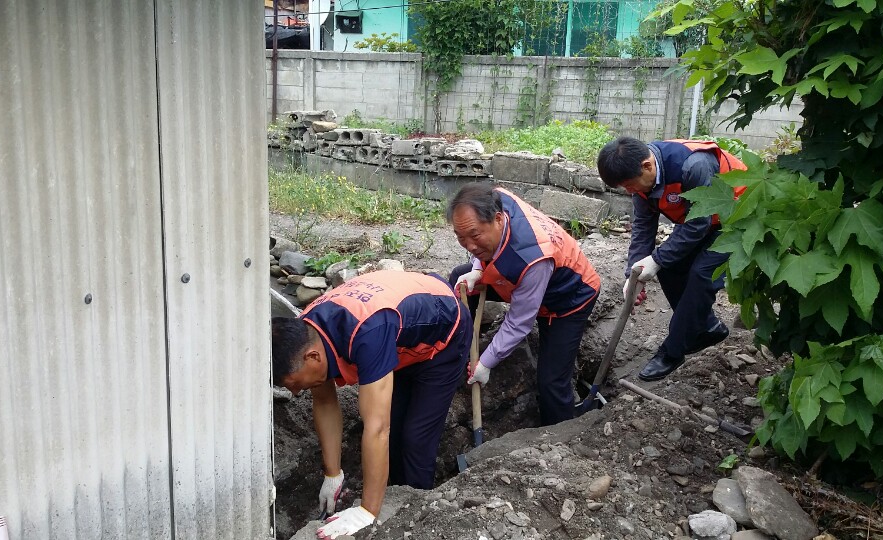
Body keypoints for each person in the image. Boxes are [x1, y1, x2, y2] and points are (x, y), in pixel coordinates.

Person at [271, 270, 472, 540]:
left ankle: (417, 512)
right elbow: (325, 402)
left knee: (415, 437)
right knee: (397, 425)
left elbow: (377, 428)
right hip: (401, 334)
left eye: (293, 383)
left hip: (444, 331)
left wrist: (367, 511)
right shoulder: (306, 331)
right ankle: (397, 491)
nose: (295, 393)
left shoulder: (367, 334)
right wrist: (333, 474)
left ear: (313, 357)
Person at [447, 183, 601, 426]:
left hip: (568, 296)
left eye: (475, 235)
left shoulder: (533, 257)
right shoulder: (497, 198)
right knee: (460, 279)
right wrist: (477, 270)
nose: (470, 245)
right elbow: (479, 250)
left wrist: (486, 362)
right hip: (521, 278)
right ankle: (457, 350)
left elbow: (519, 322)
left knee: (551, 380)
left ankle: (559, 436)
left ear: (498, 219)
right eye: (460, 238)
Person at [596, 136, 746, 382]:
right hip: (702, 220)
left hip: (737, 220)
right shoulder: (641, 181)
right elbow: (644, 227)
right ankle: (706, 328)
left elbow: (699, 225)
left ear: (647, 166)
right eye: (625, 189)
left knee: (701, 275)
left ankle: (672, 352)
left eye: (631, 186)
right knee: (668, 267)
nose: (630, 192)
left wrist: (655, 260)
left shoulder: (692, 166)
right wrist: (633, 276)